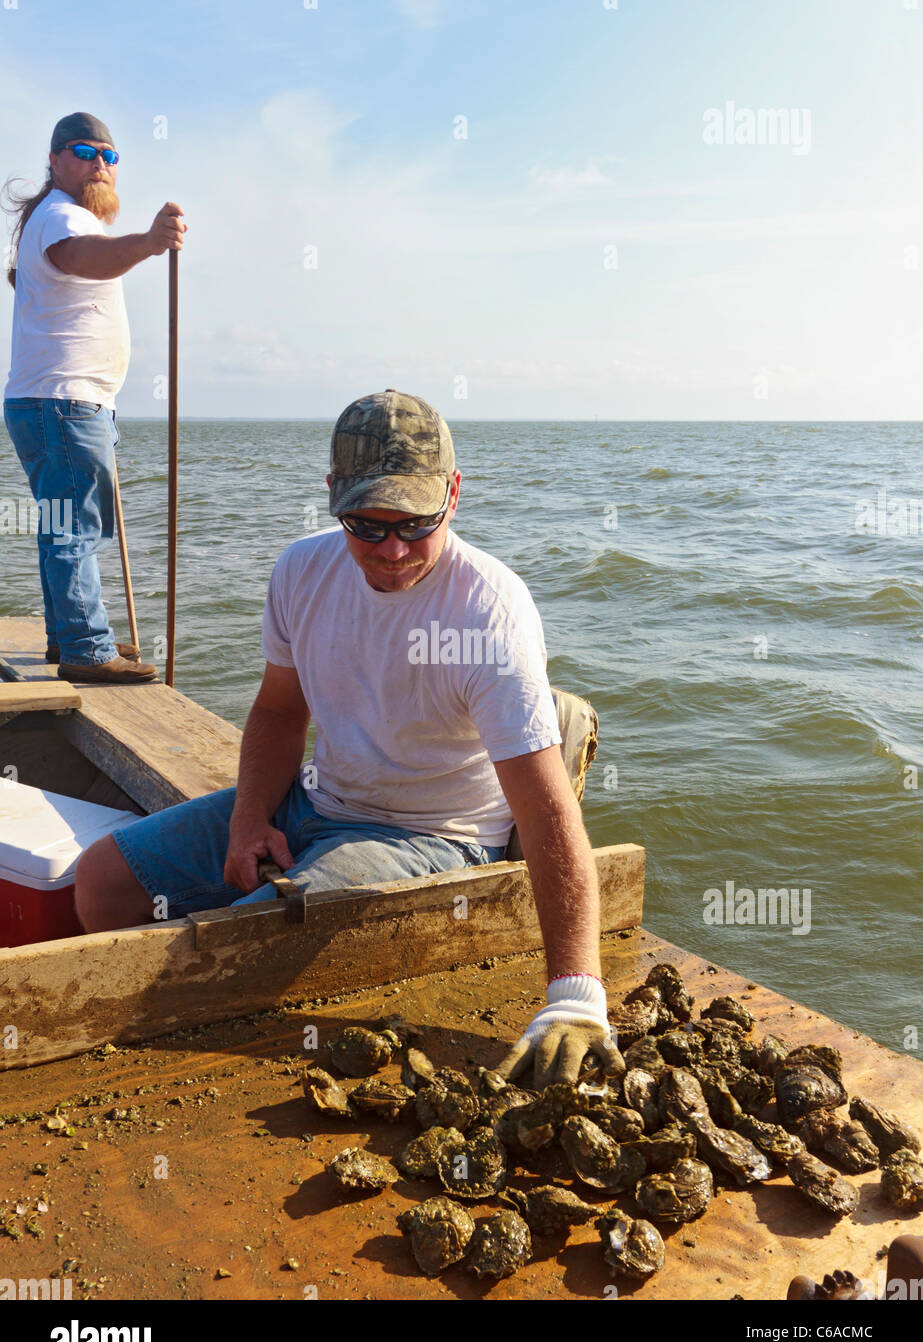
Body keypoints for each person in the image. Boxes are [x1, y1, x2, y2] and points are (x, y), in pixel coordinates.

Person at [74, 390, 617, 1087]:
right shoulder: (302, 571)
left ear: (454, 494)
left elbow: (545, 811)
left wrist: (574, 995)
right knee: (104, 882)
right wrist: (248, 821)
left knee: (234, 942)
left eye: (416, 524)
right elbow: (277, 713)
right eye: (365, 524)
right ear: (331, 495)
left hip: (432, 831)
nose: (392, 550)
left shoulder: (488, 611)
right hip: (316, 801)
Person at [2, 111, 186, 683]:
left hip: (46, 401)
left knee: (60, 522)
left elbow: (58, 268)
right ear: (55, 160)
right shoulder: (61, 216)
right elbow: (82, 257)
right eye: (85, 152)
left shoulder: (55, 218)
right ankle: (86, 648)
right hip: (65, 402)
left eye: (109, 157)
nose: (100, 165)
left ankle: (67, 637)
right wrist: (152, 243)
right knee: (75, 528)